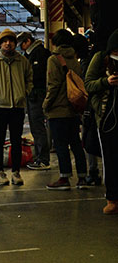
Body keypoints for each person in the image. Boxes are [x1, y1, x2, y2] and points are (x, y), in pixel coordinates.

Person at [43, 29, 89, 190]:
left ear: (55, 42)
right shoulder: (75, 60)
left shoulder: (54, 59)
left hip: (58, 110)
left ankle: (64, 178)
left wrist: (46, 105)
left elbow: (53, 86)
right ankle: (82, 178)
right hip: (73, 108)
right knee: (76, 143)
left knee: (61, 144)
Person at [0, 29, 33, 186]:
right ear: (0, 44)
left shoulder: (22, 61)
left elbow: (30, 78)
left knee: (17, 140)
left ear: (15, 44)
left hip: (17, 106)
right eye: (4, 41)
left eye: (11, 41)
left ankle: (16, 172)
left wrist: (25, 92)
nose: (7, 43)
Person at [85, 28, 118, 213]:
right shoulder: (100, 58)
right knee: (110, 160)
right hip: (106, 117)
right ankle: (112, 199)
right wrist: (107, 82)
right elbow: (88, 84)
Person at [17, 31, 52, 170]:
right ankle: (40, 157)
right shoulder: (31, 54)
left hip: (38, 95)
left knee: (38, 127)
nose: (21, 48)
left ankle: (42, 159)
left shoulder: (39, 53)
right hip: (34, 96)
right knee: (38, 127)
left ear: (28, 41)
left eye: (22, 45)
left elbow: (37, 76)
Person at [74, 33, 102, 186]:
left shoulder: (86, 61)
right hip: (97, 104)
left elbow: (87, 84)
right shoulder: (97, 57)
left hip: (91, 106)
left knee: (89, 137)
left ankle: (93, 171)